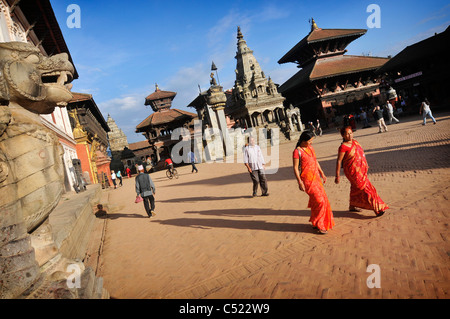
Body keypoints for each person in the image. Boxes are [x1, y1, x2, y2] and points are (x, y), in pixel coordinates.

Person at [335, 126, 389, 217]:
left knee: (355, 187)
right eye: (347, 134)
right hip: (352, 171)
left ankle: (352, 205)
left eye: (351, 133)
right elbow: (339, 161)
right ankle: (377, 208)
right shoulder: (343, 147)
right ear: (343, 135)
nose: (350, 135)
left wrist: (365, 164)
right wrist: (337, 175)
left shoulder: (355, 142)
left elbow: (361, 154)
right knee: (365, 188)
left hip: (361, 170)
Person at [293, 131, 334, 234]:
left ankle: (316, 222)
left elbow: (315, 161)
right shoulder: (297, 152)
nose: (311, 143)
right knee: (320, 201)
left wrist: (322, 172)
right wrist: (299, 182)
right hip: (307, 180)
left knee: (319, 201)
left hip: (316, 178)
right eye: (310, 141)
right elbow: (295, 168)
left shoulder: (311, 148)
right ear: (303, 141)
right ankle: (320, 224)